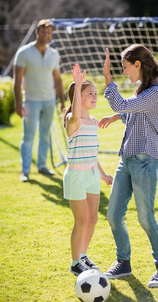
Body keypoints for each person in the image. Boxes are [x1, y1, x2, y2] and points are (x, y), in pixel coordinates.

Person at [98, 44, 158, 288]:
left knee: (145, 217)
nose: (124, 72)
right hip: (126, 160)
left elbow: (125, 105)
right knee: (113, 215)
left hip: (145, 162)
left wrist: (108, 78)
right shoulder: (143, 91)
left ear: (138, 65)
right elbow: (131, 109)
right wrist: (115, 117)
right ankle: (124, 261)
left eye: (125, 67)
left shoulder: (157, 92)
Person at [63, 63, 113, 276]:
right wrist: (78, 83)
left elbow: (92, 153)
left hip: (92, 174)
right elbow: (74, 115)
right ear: (77, 96)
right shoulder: (72, 120)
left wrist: (102, 175)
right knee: (81, 220)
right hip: (76, 176)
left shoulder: (93, 121)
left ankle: (82, 255)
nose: (94, 96)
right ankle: (75, 262)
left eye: (95, 93)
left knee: (92, 218)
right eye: (89, 93)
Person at [13, 19, 65, 182]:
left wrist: (63, 101)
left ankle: (42, 165)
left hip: (49, 101)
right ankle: (25, 171)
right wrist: (18, 103)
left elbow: (57, 79)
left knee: (45, 135)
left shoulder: (54, 54)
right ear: (37, 32)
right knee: (28, 136)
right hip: (31, 101)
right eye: (43, 32)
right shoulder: (24, 52)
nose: (46, 35)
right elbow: (17, 79)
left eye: (49, 33)